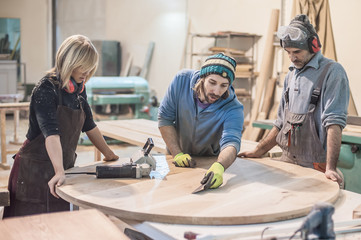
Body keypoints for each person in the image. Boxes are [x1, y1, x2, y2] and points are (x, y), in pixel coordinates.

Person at [4, 35, 119, 217]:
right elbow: (51, 133)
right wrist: (59, 171)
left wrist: (110, 154)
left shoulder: (79, 90)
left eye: (91, 68)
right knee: (30, 229)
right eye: (83, 66)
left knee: (59, 226)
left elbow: (89, 125)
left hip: (62, 170)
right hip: (33, 171)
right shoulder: (46, 88)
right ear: (69, 61)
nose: (87, 73)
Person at [238, 14, 349, 186]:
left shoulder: (332, 72)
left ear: (314, 46)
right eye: (288, 52)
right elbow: (281, 123)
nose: (292, 57)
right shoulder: (291, 74)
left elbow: (333, 123)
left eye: (297, 52)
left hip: (316, 164)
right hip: (288, 160)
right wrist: (258, 151)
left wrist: (330, 167)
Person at [158, 53, 244, 189]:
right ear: (203, 77)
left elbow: (231, 142)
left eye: (224, 85)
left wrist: (220, 166)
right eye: (212, 82)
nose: (216, 91)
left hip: (208, 164)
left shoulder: (233, 108)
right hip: (175, 158)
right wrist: (177, 153)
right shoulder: (181, 81)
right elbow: (165, 119)